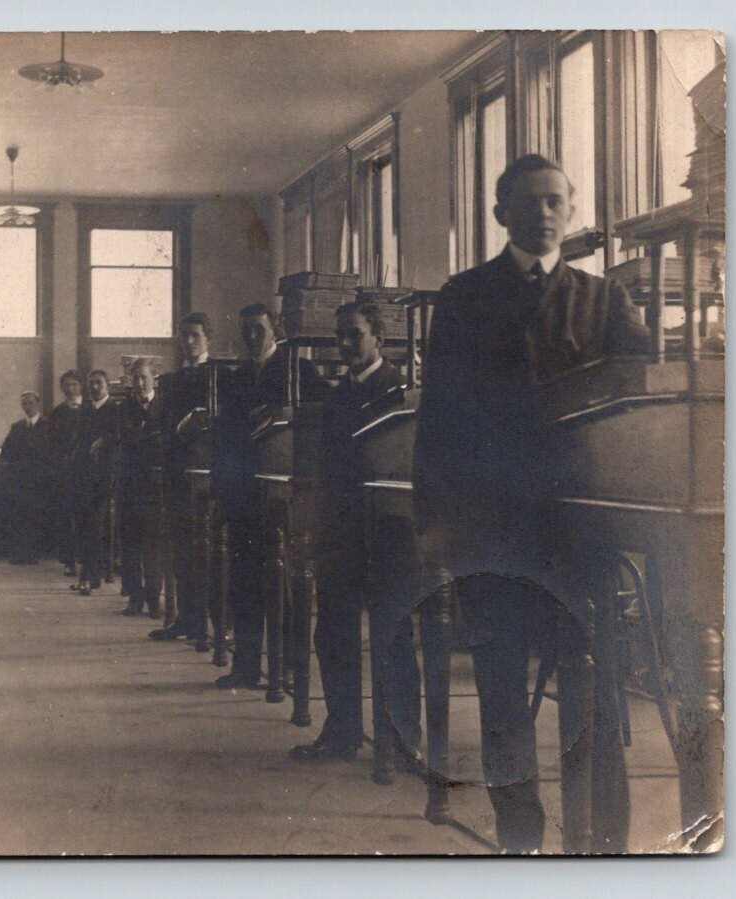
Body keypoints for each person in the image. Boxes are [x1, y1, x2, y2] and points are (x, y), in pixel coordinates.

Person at [413, 154, 648, 853]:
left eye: (554, 201)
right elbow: (438, 421)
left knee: (594, 690)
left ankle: (603, 842)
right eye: (528, 201)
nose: (543, 213)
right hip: (490, 527)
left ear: (571, 211)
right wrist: (434, 526)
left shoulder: (604, 299)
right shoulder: (463, 297)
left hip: (579, 530)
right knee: (501, 692)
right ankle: (522, 838)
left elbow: (637, 400)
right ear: (499, 214)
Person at [291, 302, 420, 765]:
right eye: (340, 336)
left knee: (393, 635)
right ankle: (342, 733)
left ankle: (402, 740)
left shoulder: (402, 394)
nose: (346, 343)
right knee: (333, 632)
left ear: (379, 338)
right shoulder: (336, 396)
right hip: (342, 532)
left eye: (355, 334)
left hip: (390, 533)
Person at [213, 303, 324, 689]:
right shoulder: (234, 379)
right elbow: (223, 438)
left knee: (288, 586)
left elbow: (317, 422)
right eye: (246, 330)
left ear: (275, 329)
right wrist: (222, 493)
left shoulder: (300, 370)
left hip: (285, 492)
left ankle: (289, 665)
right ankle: (245, 666)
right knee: (244, 583)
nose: (251, 337)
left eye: (258, 329)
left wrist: (284, 416)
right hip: (245, 493)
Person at [149, 312, 213, 647]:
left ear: (207, 338)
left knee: (205, 551)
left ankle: (208, 623)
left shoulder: (217, 375)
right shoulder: (171, 382)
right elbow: (160, 425)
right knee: (181, 549)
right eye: (184, 335)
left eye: (195, 335)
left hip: (205, 473)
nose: (188, 342)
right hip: (176, 472)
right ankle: (186, 619)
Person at [116, 359, 163, 618]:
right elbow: (124, 439)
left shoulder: (164, 406)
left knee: (153, 545)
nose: (140, 382)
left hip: (156, 487)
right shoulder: (123, 409)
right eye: (135, 378)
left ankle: (154, 599)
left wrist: (140, 436)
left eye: (144, 377)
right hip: (130, 485)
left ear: (154, 377)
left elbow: (163, 442)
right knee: (131, 545)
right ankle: (135, 598)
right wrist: (147, 436)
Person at [72, 369, 119, 596]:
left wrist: (103, 440)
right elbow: (79, 442)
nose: (94, 387)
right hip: (85, 478)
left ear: (107, 385)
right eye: (91, 383)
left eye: (99, 383)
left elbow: (119, 438)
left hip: (106, 479)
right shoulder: (86, 410)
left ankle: (90, 576)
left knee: (94, 527)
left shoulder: (115, 410)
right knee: (85, 527)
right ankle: (91, 575)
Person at [0, 391, 50, 565]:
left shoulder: (48, 425)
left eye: (30, 403)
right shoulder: (17, 427)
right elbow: (6, 451)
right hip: (20, 479)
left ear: (38, 403)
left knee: (35, 516)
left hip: (39, 479)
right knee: (19, 516)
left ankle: (33, 553)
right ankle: (19, 553)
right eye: (24, 404)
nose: (27, 407)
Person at [47, 370, 85, 577]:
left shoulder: (90, 408)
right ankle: (69, 561)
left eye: (74, 385)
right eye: (66, 386)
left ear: (80, 386)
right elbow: (51, 444)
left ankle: (89, 562)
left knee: (87, 519)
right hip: (66, 472)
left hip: (87, 472)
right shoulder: (57, 413)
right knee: (67, 518)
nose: (70, 389)